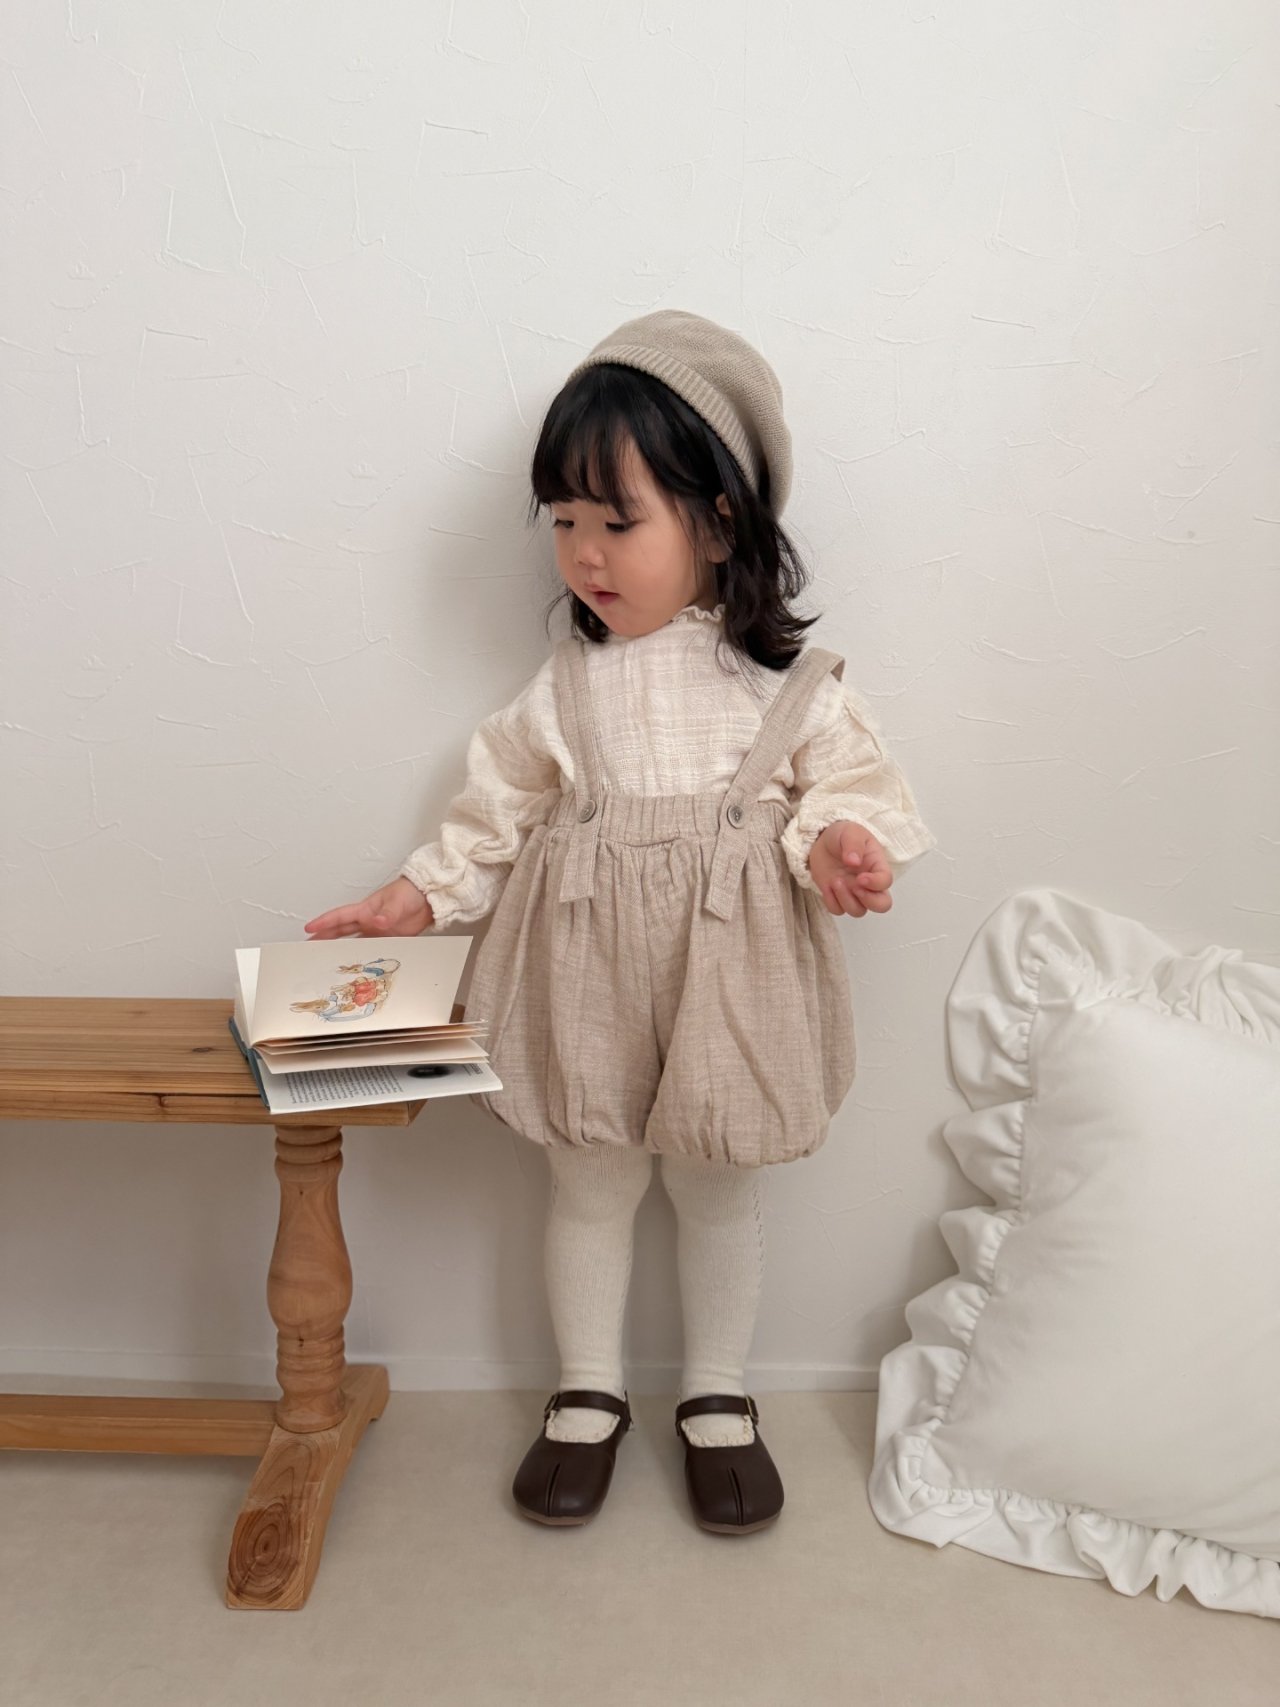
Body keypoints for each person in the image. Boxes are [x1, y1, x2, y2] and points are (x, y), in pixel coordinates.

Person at [304, 310, 936, 1535]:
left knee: (714, 1189)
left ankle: (716, 1394)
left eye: (617, 521)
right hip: (582, 969)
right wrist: (418, 894)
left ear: (720, 522)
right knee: (588, 1184)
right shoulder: (565, 687)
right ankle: (587, 1389)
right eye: (564, 522)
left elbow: (851, 792)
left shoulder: (786, 689)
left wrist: (840, 846)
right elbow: (495, 811)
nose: (584, 554)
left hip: (730, 975)